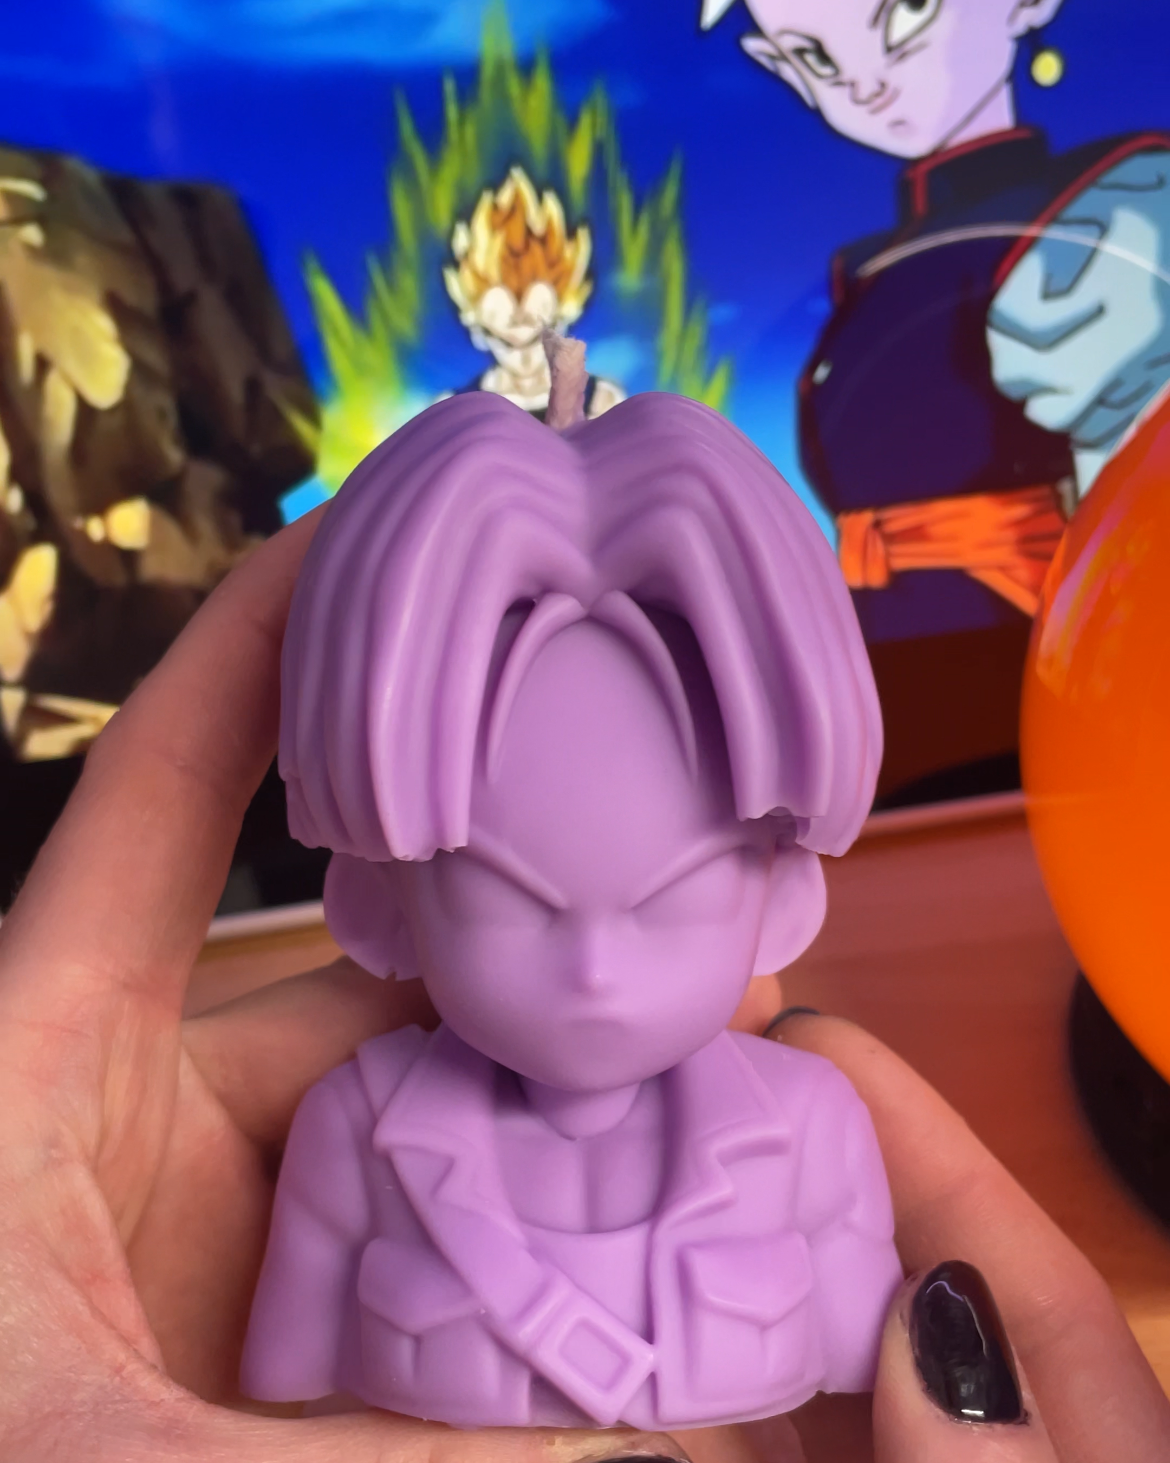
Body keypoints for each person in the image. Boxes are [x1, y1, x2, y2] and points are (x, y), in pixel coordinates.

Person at [0, 512, 1167, 1460]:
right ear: (384, 906)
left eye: (672, 898)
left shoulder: (813, 1124)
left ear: (780, 897)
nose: (597, 969)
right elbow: (276, 1390)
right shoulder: (352, 1127)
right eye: (511, 899)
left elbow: (871, 1372)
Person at [700, 0, 1170, 802]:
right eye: (817, 59)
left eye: (908, 15)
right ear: (781, 71)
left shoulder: (1112, 208)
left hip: (1042, 661)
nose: (866, 82)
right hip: (885, 680)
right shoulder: (865, 272)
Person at [441, 165, 625, 420]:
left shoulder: (602, 402)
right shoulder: (452, 414)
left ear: (561, 322)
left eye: (538, 341)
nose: (524, 360)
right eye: (506, 343)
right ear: (480, 334)